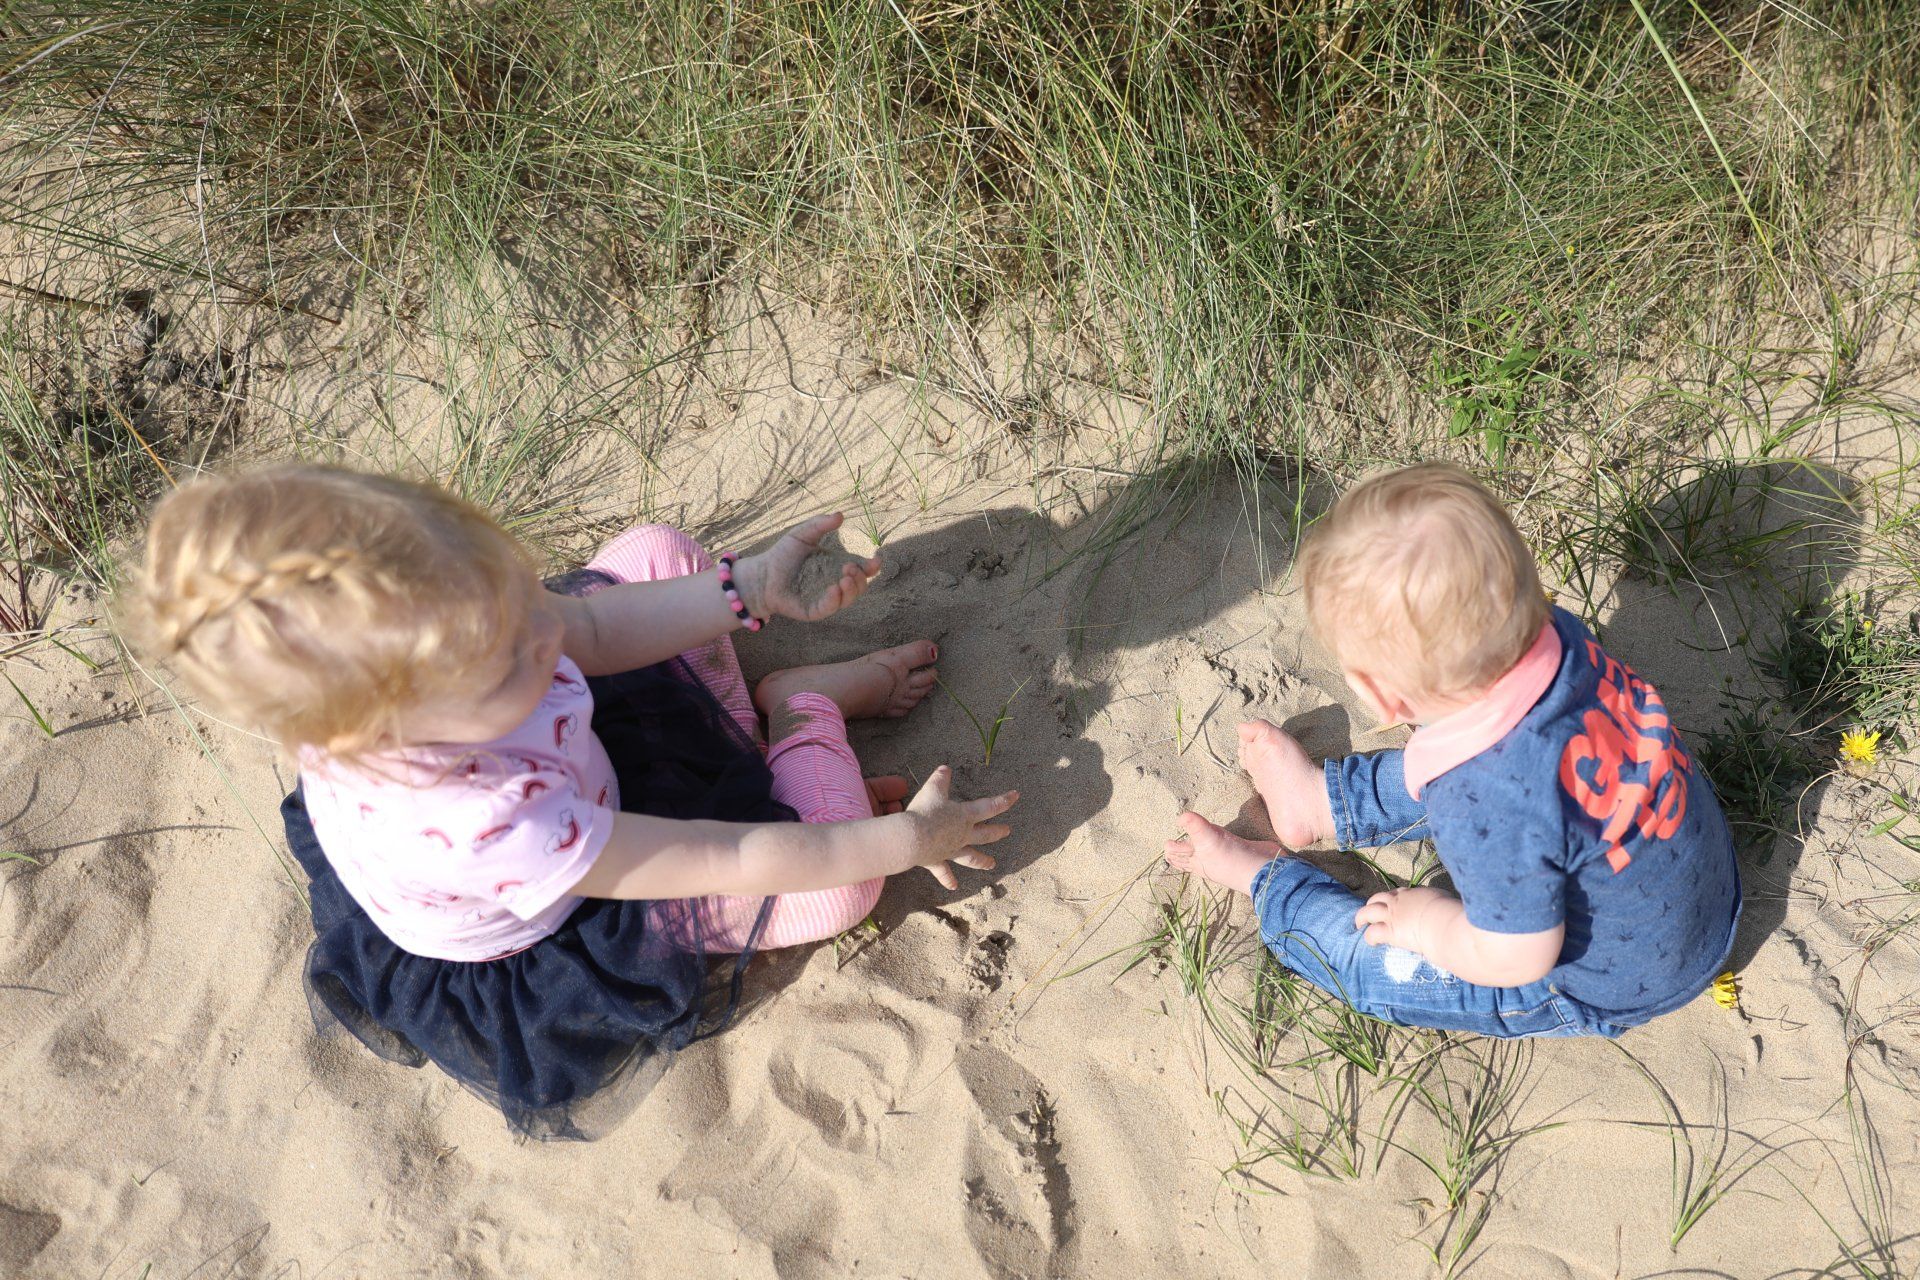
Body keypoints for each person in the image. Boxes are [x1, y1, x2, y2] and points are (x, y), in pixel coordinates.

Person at [121, 464, 1016, 1136]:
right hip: (582, 893)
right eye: (509, 648)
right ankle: (800, 708)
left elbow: (587, 624)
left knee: (657, 551)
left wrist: (747, 589)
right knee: (840, 886)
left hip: (574, 769)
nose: (540, 630)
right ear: (395, 728)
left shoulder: (455, 643)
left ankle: (742, 729)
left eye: (511, 590)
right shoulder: (491, 824)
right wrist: (906, 841)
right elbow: (728, 855)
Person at [1165, 463, 1739, 1037]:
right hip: (1691, 884)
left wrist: (1427, 924)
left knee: (1372, 968)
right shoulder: (1557, 638)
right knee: (1463, 752)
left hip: (1610, 980)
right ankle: (1318, 804)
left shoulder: (1479, 796)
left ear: (1380, 698)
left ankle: (1266, 880)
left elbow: (1517, 957)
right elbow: (1498, 775)